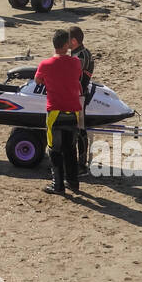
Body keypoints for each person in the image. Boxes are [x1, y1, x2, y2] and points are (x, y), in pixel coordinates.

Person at [36, 30, 83, 195]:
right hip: (73, 111)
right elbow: (76, 77)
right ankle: (73, 182)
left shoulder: (45, 64)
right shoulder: (76, 62)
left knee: (54, 149)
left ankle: (58, 185)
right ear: (66, 45)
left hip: (55, 111)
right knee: (70, 149)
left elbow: (38, 80)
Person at [66, 26, 94, 173]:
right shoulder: (81, 52)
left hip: (79, 97)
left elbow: (74, 78)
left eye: (68, 40)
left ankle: (81, 165)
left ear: (74, 41)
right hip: (79, 95)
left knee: (79, 129)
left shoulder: (80, 56)